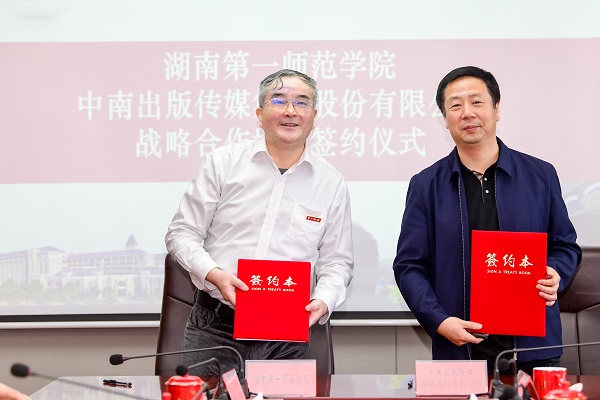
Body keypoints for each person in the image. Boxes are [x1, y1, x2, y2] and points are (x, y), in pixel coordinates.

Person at [392, 66, 581, 374]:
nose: (467, 113)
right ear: (445, 119)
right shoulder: (426, 185)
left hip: (534, 349)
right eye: (456, 105)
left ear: (496, 109)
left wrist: (556, 272)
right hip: (459, 348)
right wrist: (439, 321)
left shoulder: (540, 175)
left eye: (477, 102)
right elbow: (409, 266)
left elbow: (565, 246)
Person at [165, 69, 354, 375]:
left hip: (288, 333)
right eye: (278, 101)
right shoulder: (223, 163)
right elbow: (182, 233)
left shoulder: (331, 183)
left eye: (302, 102)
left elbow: (337, 262)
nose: (291, 111)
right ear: (259, 113)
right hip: (216, 326)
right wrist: (214, 274)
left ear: (314, 116)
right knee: (208, 398)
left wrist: (324, 299)